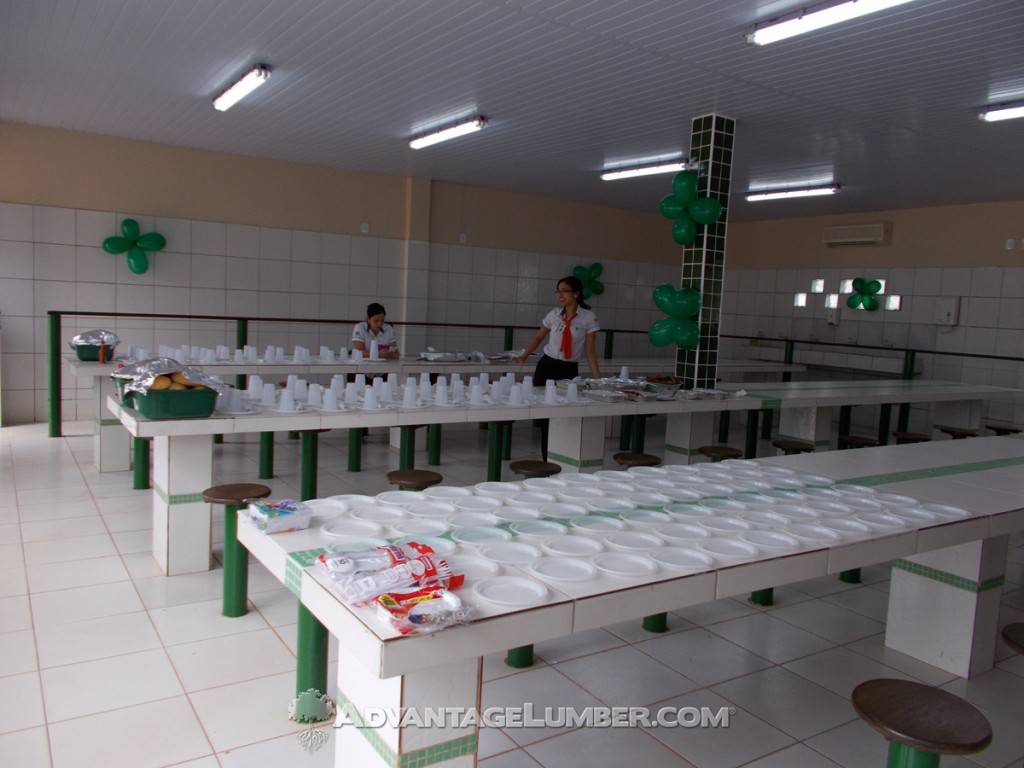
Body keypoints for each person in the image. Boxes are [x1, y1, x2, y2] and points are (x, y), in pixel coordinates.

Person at [516, 276, 602, 382]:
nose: (560, 295)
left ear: (576, 294)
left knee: (566, 398)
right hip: (546, 364)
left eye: (564, 291)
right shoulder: (554, 314)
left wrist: (598, 379)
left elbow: (590, 352)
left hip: (569, 368)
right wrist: (524, 356)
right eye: (558, 291)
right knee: (540, 396)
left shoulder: (588, 317)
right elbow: (538, 337)